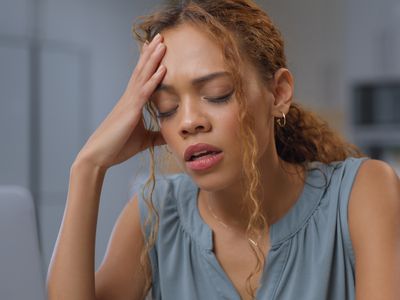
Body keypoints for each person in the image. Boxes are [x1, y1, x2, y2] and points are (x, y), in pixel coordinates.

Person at [46, 1, 400, 299]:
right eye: (166, 107)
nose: (188, 122)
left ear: (278, 94)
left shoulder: (362, 193)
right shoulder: (154, 214)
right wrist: (88, 167)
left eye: (217, 93)